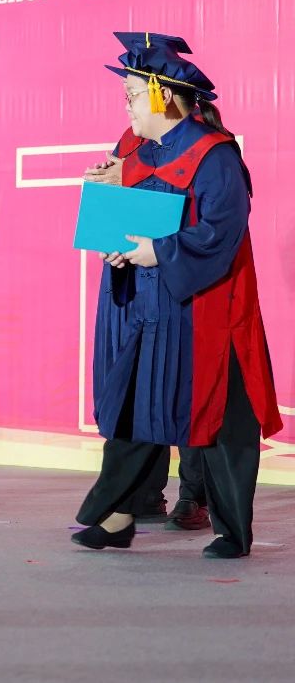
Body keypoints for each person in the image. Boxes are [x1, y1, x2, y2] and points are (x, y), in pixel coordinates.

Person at [72, 32, 282, 558]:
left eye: (132, 95)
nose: (127, 106)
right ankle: (119, 517)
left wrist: (158, 253)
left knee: (219, 419)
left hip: (203, 305)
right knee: (133, 406)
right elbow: (128, 221)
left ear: (163, 95)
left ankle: (231, 530)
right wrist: (116, 248)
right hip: (145, 305)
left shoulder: (215, 154)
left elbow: (221, 231)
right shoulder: (134, 151)